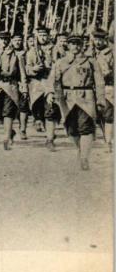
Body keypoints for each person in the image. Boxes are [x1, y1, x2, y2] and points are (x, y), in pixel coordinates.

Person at [51, 34, 106, 170]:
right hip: (67, 98)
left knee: (86, 127)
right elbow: (53, 80)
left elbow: (99, 82)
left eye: (78, 43)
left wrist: (100, 98)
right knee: (72, 129)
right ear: (68, 46)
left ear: (82, 45)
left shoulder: (90, 61)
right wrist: (51, 93)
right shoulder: (61, 62)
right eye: (72, 44)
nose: (75, 46)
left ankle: (84, 158)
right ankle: (81, 150)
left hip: (86, 97)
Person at [0, 31, 28, 150]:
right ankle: (10, 132)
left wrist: (24, 89)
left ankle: (6, 138)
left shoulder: (17, 55)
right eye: (2, 39)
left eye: (6, 39)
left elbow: (22, 73)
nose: (4, 41)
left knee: (8, 112)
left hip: (11, 86)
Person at [25, 26, 60, 150]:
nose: (43, 38)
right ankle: (44, 127)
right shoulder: (32, 51)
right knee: (38, 110)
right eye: (40, 36)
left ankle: (50, 139)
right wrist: (33, 69)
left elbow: (61, 63)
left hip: (50, 83)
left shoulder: (55, 49)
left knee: (50, 110)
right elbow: (27, 68)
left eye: (45, 35)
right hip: (36, 85)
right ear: (37, 37)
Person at [92, 28, 113, 151]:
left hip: (107, 87)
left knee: (108, 114)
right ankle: (107, 137)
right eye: (96, 39)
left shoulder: (110, 53)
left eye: (100, 39)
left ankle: (108, 142)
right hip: (93, 88)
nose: (98, 42)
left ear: (105, 40)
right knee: (98, 116)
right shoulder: (90, 53)